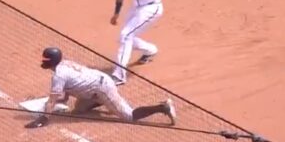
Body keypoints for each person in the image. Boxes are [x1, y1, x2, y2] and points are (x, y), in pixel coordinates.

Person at [24, 47, 176, 129]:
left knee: (129, 116)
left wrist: (44, 118)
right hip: (95, 85)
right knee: (80, 110)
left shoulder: (58, 75)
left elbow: (52, 100)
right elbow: (65, 92)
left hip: (103, 87)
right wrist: (61, 99)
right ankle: (101, 101)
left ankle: (163, 107)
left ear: (50, 63)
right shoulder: (65, 64)